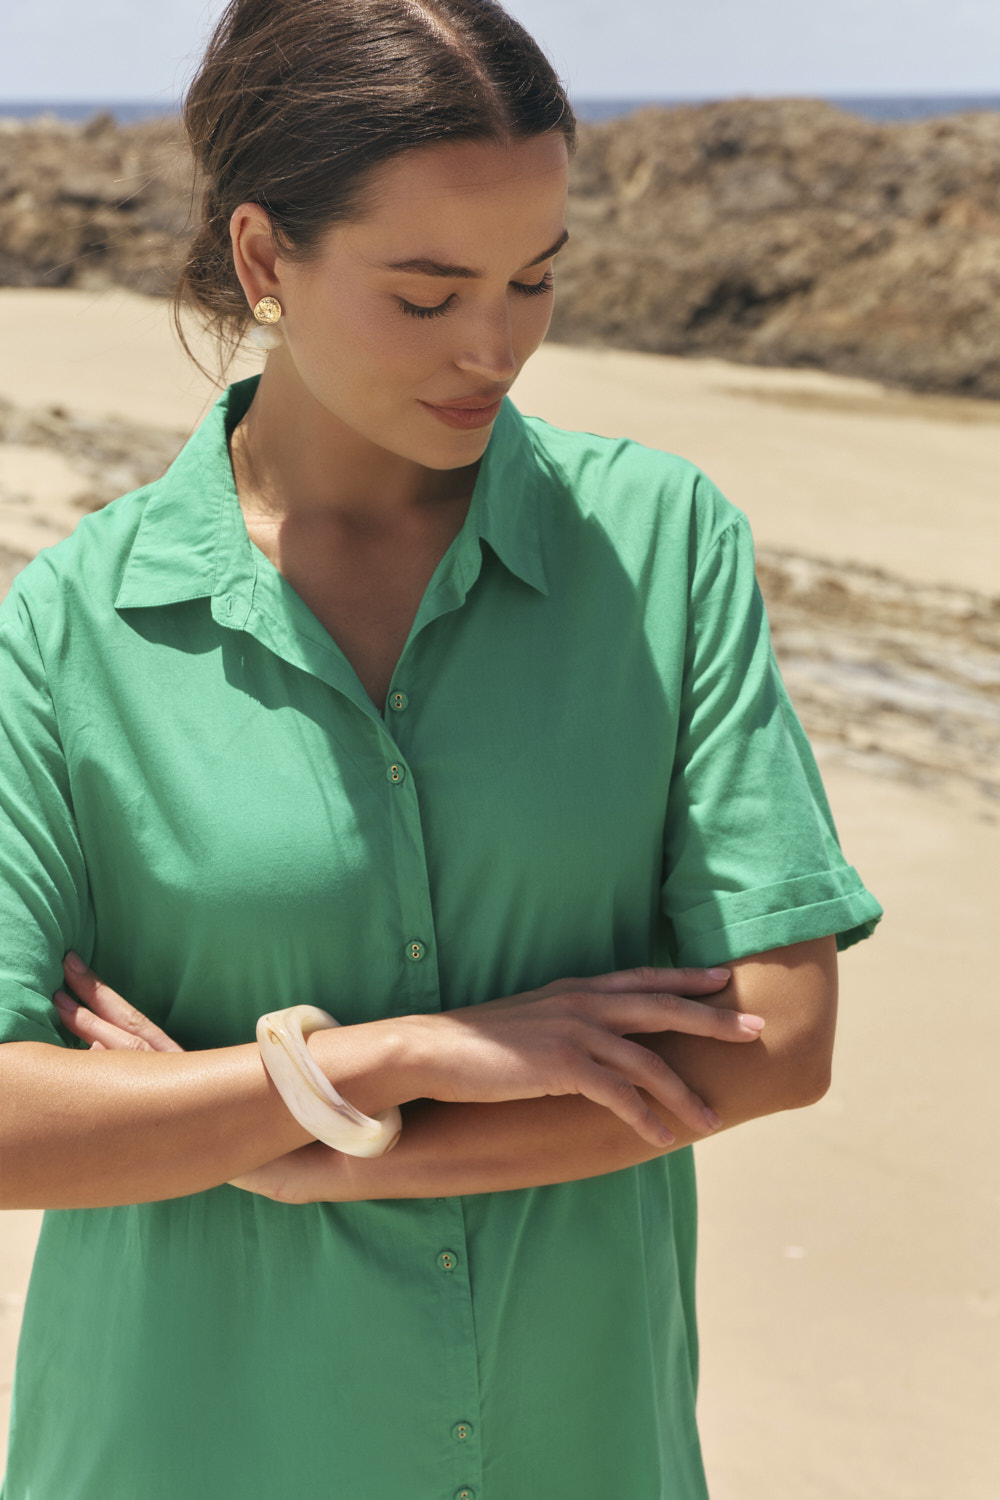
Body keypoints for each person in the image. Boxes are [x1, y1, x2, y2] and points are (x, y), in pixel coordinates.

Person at [0, 2, 882, 1496]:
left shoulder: (659, 549)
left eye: (536, 278)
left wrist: (299, 1139)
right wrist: (393, 1060)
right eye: (426, 293)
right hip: (177, 1447)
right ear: (265, 259)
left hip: (574, 1451)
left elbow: (774, 1045)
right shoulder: (72, 630)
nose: (498, 345)